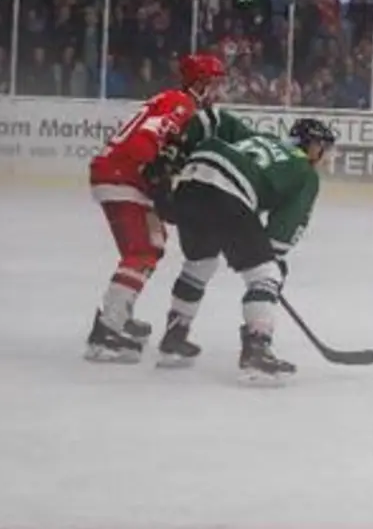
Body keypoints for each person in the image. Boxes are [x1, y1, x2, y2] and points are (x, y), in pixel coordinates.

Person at [84, 53, 254, 363]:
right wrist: (158, 182)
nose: (218, 90)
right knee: (143, 250)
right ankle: (106, 330)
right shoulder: (181, 103)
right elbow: (145, 141)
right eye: (214, 83)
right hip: (124, 177)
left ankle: (119, 312)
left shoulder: (177, 102)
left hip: (122, 176)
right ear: (200, 83)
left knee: (153, 243)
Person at [158, 119, 336, 382]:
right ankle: (257, 350)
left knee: (200, 262)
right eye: (322, 147)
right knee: (265, 274)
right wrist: (272, 259)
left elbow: (217, 118)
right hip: (228, 191)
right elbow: (284, 228)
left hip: (190, 181)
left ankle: (174, 336)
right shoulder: (304, 172)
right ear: (310, 145)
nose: (324, 154)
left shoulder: (263, 139)